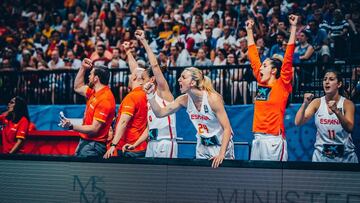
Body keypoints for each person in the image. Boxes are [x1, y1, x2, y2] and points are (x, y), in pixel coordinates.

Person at [144, 67, 234, 168]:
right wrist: (150, 95)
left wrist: (221, 154)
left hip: (220, 145)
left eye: (183, 77)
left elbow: (227, 129)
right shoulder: (183, 100)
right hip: (203, 145)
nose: (179, 79)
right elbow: (160, 113)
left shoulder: (213, 99)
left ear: (192, 83)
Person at [246, 15, 298, 161]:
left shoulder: (282, 85)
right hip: (257, 137)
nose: (260, 67)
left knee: (275, 180)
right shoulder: (261, 82)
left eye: (265, 65)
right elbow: (253, 56)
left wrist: (293, 27)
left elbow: (288, 57)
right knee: (257, 179)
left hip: (273, 140)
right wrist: (249, 30)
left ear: (274, 71)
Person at [295, 69, 358, 163]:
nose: (327, 82)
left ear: (339, 84)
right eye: (325, 79)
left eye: (331, 79)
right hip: (321, 157)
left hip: (346, 158)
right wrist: (305, 104)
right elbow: (298, 122)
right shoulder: (317, 102)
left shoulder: (347, 104)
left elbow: (349, 128)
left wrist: (337, 111)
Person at [59, 59, 116, 157]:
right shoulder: (94, 92)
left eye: (90, 74)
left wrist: (71, 126)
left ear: (96, 78)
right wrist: (82, 68)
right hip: (86, 142)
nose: (88, 76)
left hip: (93, 145)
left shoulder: (105, 99)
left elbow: (94, 129)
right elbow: (77, 87)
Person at [136, 30, 178, 158]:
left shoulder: (163, 91)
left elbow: (154, 65)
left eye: (143, 79)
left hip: (165, 143)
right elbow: (149, 128)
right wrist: (135, 144)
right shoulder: (150, 98)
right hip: (152, 143)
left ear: (152, 79)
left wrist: (143, 41)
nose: (140, 82)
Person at [103, 43, 148, 158]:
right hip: (141, 146)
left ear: (133, 78)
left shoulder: (132, 97)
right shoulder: (148, 94)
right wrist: (128, 51)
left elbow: (123, 122)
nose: (128, 76)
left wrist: (113, 144)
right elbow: (136, 70)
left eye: (130, 75)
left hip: (128, 147)